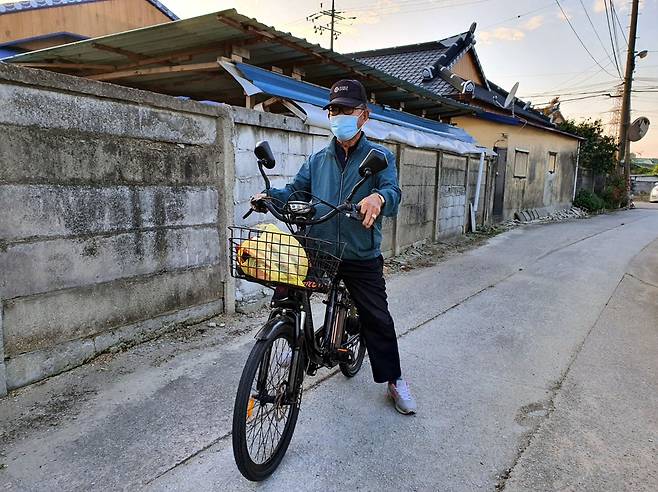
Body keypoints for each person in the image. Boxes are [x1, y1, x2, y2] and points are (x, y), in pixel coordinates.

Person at [250, 79, 417, 415]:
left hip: (359, 253)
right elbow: (297, 191)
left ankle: (394, 380)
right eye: (333, 110)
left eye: (345, 110)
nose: (337, 115)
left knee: (377, 318)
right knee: (286, 281)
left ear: (363, 116)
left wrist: (379, 197)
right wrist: (270, 197)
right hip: (319, 246)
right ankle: (287, 336)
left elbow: (394, 194)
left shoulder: (379, 157)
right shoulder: (318, 159)